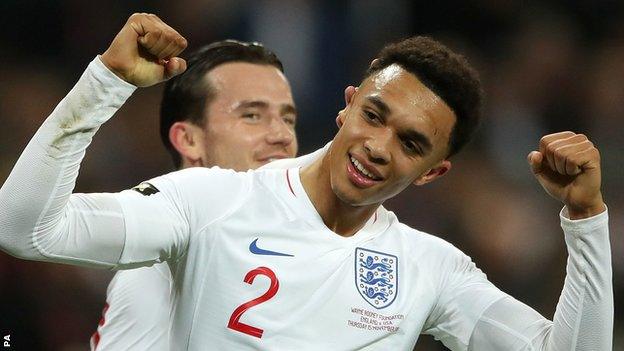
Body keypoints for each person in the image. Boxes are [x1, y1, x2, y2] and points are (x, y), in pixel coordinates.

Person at [0, 13, 612, 351]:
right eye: (374, 116)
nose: (377, 147)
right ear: (347, 105)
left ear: (435, 173)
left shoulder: (430, 268)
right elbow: (24, 228)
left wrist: (585, 223)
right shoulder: (217, 200)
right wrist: (105, 82)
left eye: (411, 144)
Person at [90, 39, 299, 350]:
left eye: (288, 119)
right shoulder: (166, 249)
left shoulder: (296, 245)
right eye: (252, 115)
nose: (282, 135)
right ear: (189, 140)